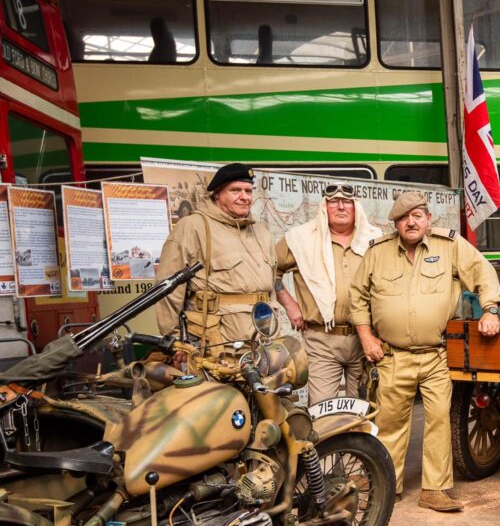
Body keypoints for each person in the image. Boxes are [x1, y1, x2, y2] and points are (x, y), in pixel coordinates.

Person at [349, 191, 500, 512]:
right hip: (392, 355)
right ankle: (387, 485)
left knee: (438, 422)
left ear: (428, 219)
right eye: (404, 218)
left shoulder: (449, 246)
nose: (411, 222)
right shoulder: (378, 252)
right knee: (390, 423)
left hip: (436, 355)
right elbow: (358, 296)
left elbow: (481, 270)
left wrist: (490, 309)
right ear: (396, 224)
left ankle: (435, 490)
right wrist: (366, 336)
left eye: (417, 215)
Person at [275, 182, 381, 403]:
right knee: (322, 411)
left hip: (365, 339)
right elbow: (268, 270)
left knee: (365, 409)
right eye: (334, 202)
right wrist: (289, 303)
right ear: (324, 207)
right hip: (321, 340)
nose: (341, 207)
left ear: (356, 208)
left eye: (347, 202)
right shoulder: (300, 239)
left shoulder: (375, 240)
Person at [155, 163, 275, 348]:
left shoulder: (261, 232)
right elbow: (168, 290)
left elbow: (270, 288)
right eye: (235, 190)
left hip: (263, 339)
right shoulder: (193, 227)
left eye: (248, 191)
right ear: (217, 193)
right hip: (216, 344)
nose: (244, 197)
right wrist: (174, 340)